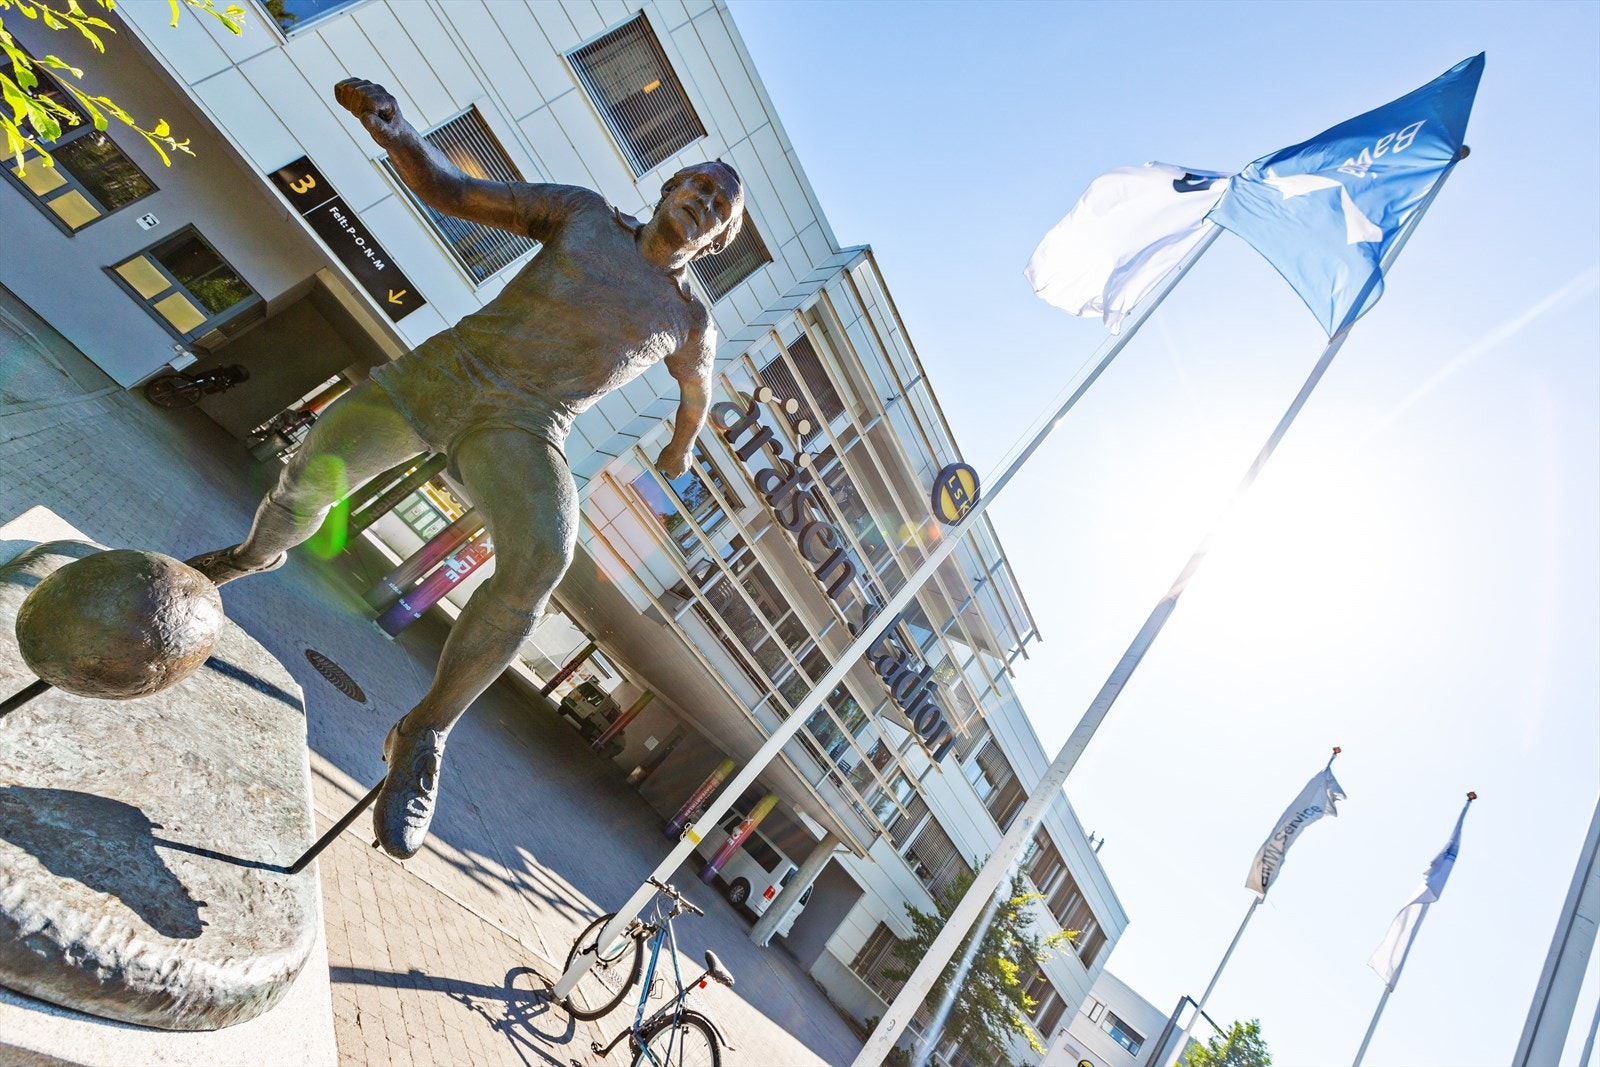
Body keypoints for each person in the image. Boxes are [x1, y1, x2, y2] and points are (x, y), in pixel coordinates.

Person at [187, 78, 742, 859]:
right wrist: (399, 133)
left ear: (716, 240)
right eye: (701, 187)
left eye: (720, 209)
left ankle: (423, 732)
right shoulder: (582, 213)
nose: (706, 204)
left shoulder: (689, 320)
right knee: (310, 472)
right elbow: (453, 191)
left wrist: (681, 447)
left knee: (542, 557)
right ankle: (250, 556)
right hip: (444, 375)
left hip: (525, 426)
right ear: (670, 186)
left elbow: (697, 393)